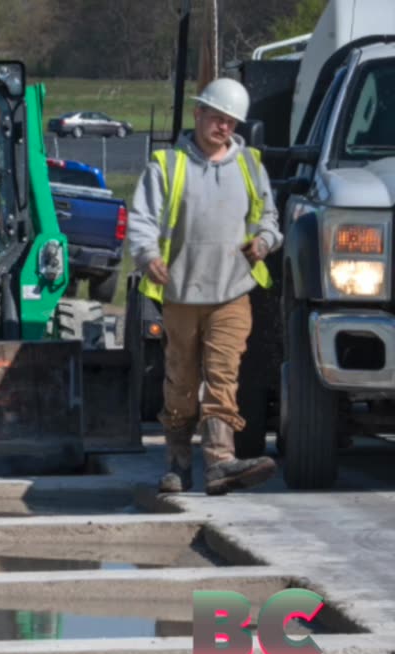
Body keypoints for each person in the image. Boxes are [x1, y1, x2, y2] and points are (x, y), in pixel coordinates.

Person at [127, 77, 281, 496]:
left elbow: (269, 218)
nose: (224, 128)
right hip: (181, 294)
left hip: (232, 292)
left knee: (222, 377)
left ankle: (219, 461)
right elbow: (141, 220)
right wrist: (147, 256)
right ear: (198, 113)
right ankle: (178, 463)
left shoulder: (250, 165)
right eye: (218, 118)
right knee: (180, 380)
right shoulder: (168, 166)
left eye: (232, 122)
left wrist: (264, 241)